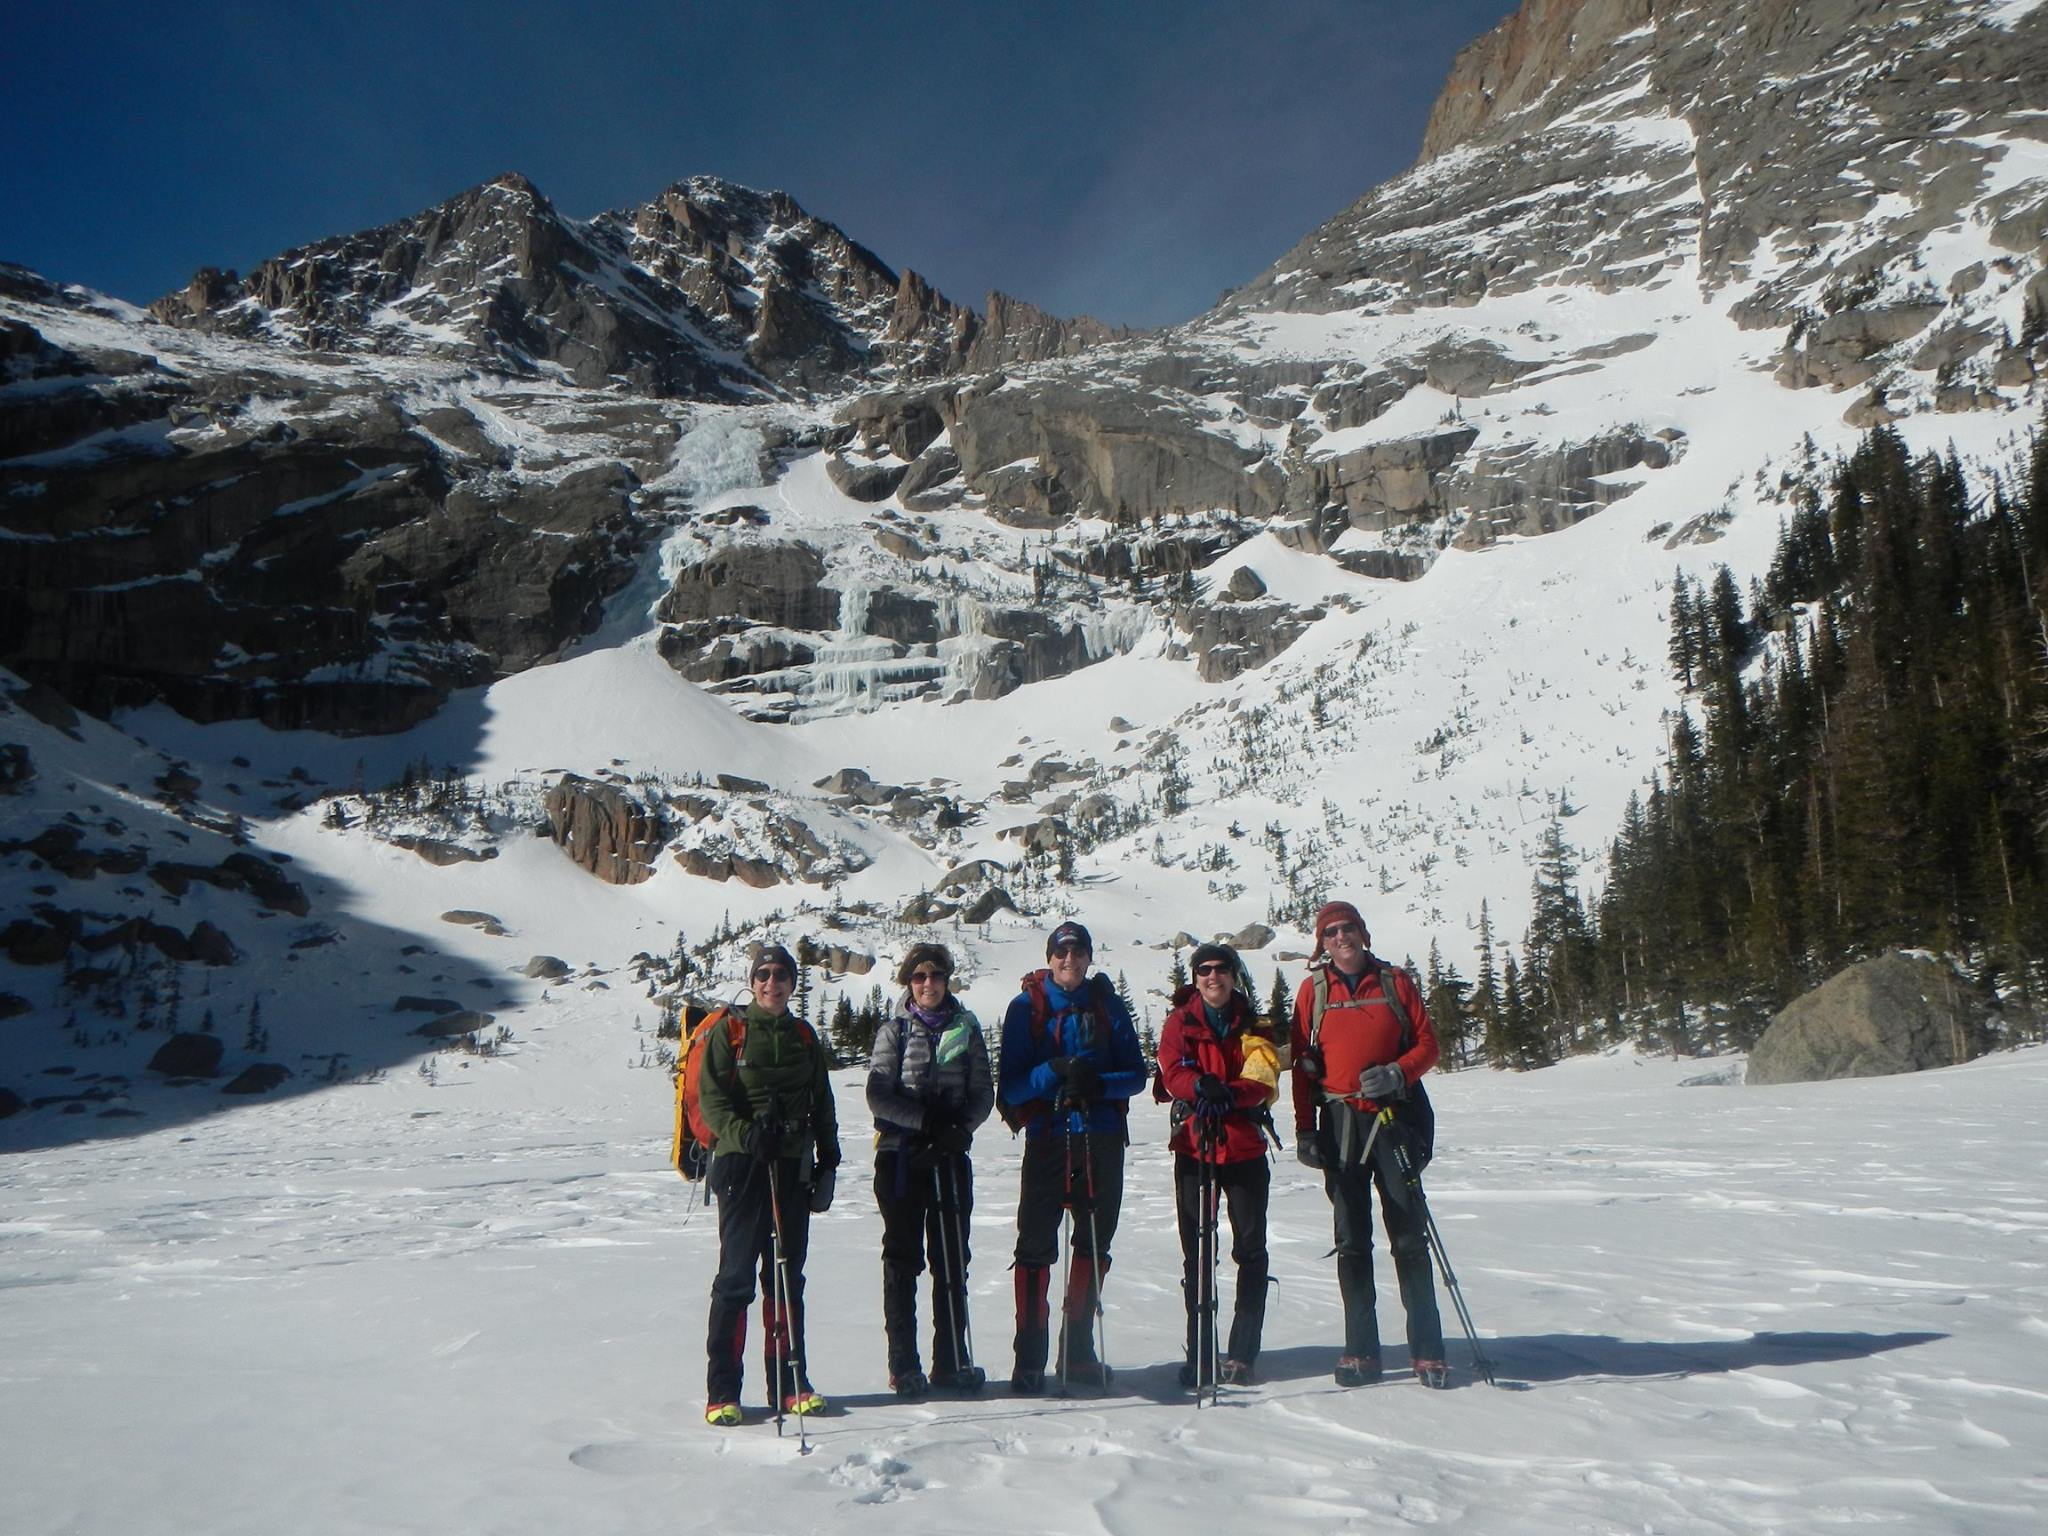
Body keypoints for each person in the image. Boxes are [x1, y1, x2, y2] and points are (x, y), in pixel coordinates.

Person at [1291, 900, 1450, 1389]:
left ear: (1363, 933)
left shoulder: (1394, 983)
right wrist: (1304, 1129)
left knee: (1408, 1234)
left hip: (1393, 1118)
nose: (1342, 937)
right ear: (1322, 942)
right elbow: (1301, 1066)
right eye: (1332, 932)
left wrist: (1397, 1072)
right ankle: (1361, 1350)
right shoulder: (1313, 991)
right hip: (1340, 1122)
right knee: (1352, 1241)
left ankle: (1427, 1351)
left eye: (1349, 929)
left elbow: (1428, 1044)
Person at [997, 920, 1146, 1392]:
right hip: (1048, 1137)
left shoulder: (1107, 1005)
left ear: (1088, 958)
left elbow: (1138, 1075)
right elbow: (1013, 1087)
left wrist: (1099, 1084)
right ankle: (1030, 1358)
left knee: (1093, 1242)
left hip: (1100, 1136)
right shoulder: (1026, 1009)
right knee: (1035, 1244)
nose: (1069, 961)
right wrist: (1055, 1072)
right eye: (1061, 953)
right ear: (1050, 958)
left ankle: (1076, 1351)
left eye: (1077, 953)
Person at [699, 942, 841, 1426]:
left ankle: (789, 1385)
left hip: (791, 1168)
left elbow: (822, 1100)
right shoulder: (730, 1032)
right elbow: (713, 1101)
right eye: (763, 974)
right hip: (741, 1168)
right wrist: (744, 1135)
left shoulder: (803, 1035)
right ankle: (723, 1392)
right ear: (752, 979)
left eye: (781, 975)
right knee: (736, 1280)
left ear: (791, 983)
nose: (771, 982)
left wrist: (829, 1158)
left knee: (785, 1278)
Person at [865, 942, 996, 1397]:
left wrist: (959, 1128)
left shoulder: (966, 1027)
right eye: (919, 977)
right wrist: (924, 1122)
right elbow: (878, 1095)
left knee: (952, 1257)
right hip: (901, 1158)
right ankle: (904, 1365)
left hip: (950, 1156)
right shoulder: (894, 1031)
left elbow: (982, 1090)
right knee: (903, 1259)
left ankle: (952, 1360)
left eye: (935, 976)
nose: (927, 984)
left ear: (946, 980)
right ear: (908, 983)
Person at [1157, 941, 1281, 1389]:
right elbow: (1172, 1071)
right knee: (1198, 1252)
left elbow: (1263, 1078)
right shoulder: (1180, 1023)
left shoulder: (1254, 1024)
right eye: (1205, 970)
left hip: (1244, 1148)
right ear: (1195, 978)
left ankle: (1243, 1353)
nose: (1214, 977)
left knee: (1250, 1249)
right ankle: (1203, 1352)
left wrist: (1226, 1092)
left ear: (1233, 975)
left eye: (1221, 969)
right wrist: (1198, 1084)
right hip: (1195, 1148)